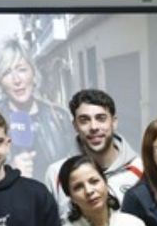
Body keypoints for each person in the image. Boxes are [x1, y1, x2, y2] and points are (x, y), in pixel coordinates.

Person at [43, 89, 145, 217]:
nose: (94, 127)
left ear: (114, 122)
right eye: (84, 120)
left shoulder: (141, 170)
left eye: (101, 118)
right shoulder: (56, 174)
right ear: (75, 126)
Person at [0, 38, 70, 182]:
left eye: (22, 69)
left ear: (33, 72)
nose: (17, 80)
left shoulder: (60, 117)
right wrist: (8, 173)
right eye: (7, 73)